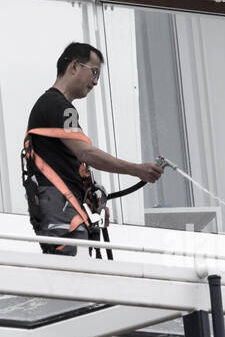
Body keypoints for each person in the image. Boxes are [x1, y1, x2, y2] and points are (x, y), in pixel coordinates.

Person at [23, 42, 164, 255]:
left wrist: (92, 204)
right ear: (74, 67)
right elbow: (86, 153)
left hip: (64, 215)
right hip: (63, 218)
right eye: (94, 72)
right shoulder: (58, 107)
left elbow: (68, 167)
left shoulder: (53, 107)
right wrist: (136, 169)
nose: (95, 82)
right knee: (74, 280)